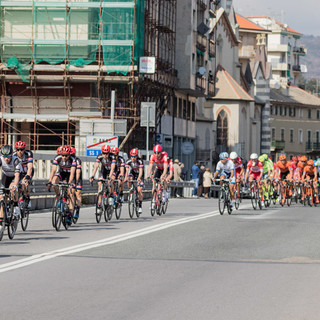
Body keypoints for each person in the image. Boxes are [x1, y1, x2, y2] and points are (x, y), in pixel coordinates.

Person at [47, 145, 76, 224]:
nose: (64, 157)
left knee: (71, 193)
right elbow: (53, 170)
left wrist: (70, 183)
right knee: (54, 182)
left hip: (69, 175)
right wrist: (50, 181)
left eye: (66, 155)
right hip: (61, 173)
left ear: (69, 155)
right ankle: (59, 196)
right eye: (62, 155)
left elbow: (73, 173)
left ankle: (70, 212)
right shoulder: (58, 158)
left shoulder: (73, 159)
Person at [0, 145, 23, 226]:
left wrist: (15, 186)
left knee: (12, 188)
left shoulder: (15, 161)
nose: (6, 159)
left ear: (12, 155)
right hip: (6, 176)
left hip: (15, 176)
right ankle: (2, 218)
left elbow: (17, 176)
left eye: (8, 157)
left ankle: (16, 205)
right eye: (4, 157)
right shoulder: (1, 159)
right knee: (2, 197)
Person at [89, 144, 115, 210]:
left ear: (109, 153)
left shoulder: (112, 156)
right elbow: (96, 167)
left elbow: (112, 168)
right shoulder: (99, 156)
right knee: (100, 185)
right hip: (104, 170)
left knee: (111, 181)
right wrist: (92, 175)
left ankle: (111, 194)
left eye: (106, 153)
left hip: (111, 171)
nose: (105, 155)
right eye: (104, 153)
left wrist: (110, 176)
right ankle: (99, 204)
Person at [13, 140, 34, 209]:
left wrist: (28, 176)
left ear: (24, 149)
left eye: (21, 149)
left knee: (24, 183)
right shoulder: (13, 155)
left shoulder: (28, 154)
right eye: (17, 149)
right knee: (16, 187)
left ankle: (27, 196)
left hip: (27, 171)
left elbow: (30, 167)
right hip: (18, 172)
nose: (19, 151)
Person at [124, 148, 144, 214]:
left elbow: (141, 172)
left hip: (140, 175)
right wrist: (126, 177)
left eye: (134, 157)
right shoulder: (128, 161)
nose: (133, 158)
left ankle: (140, 206)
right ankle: (130, 190)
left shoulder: (140, 161)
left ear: (137, 156)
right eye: (132, 156)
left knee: (139, 190)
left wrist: (138, 178)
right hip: (133, 173)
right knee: (129, 177)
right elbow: (126, 170)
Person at [70, 147, 82, 219]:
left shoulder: (77, 160)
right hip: (68, 176)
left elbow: (78, 172)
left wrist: (76, 182)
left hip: (76, 177)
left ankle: (77, 209)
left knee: (78, 194)